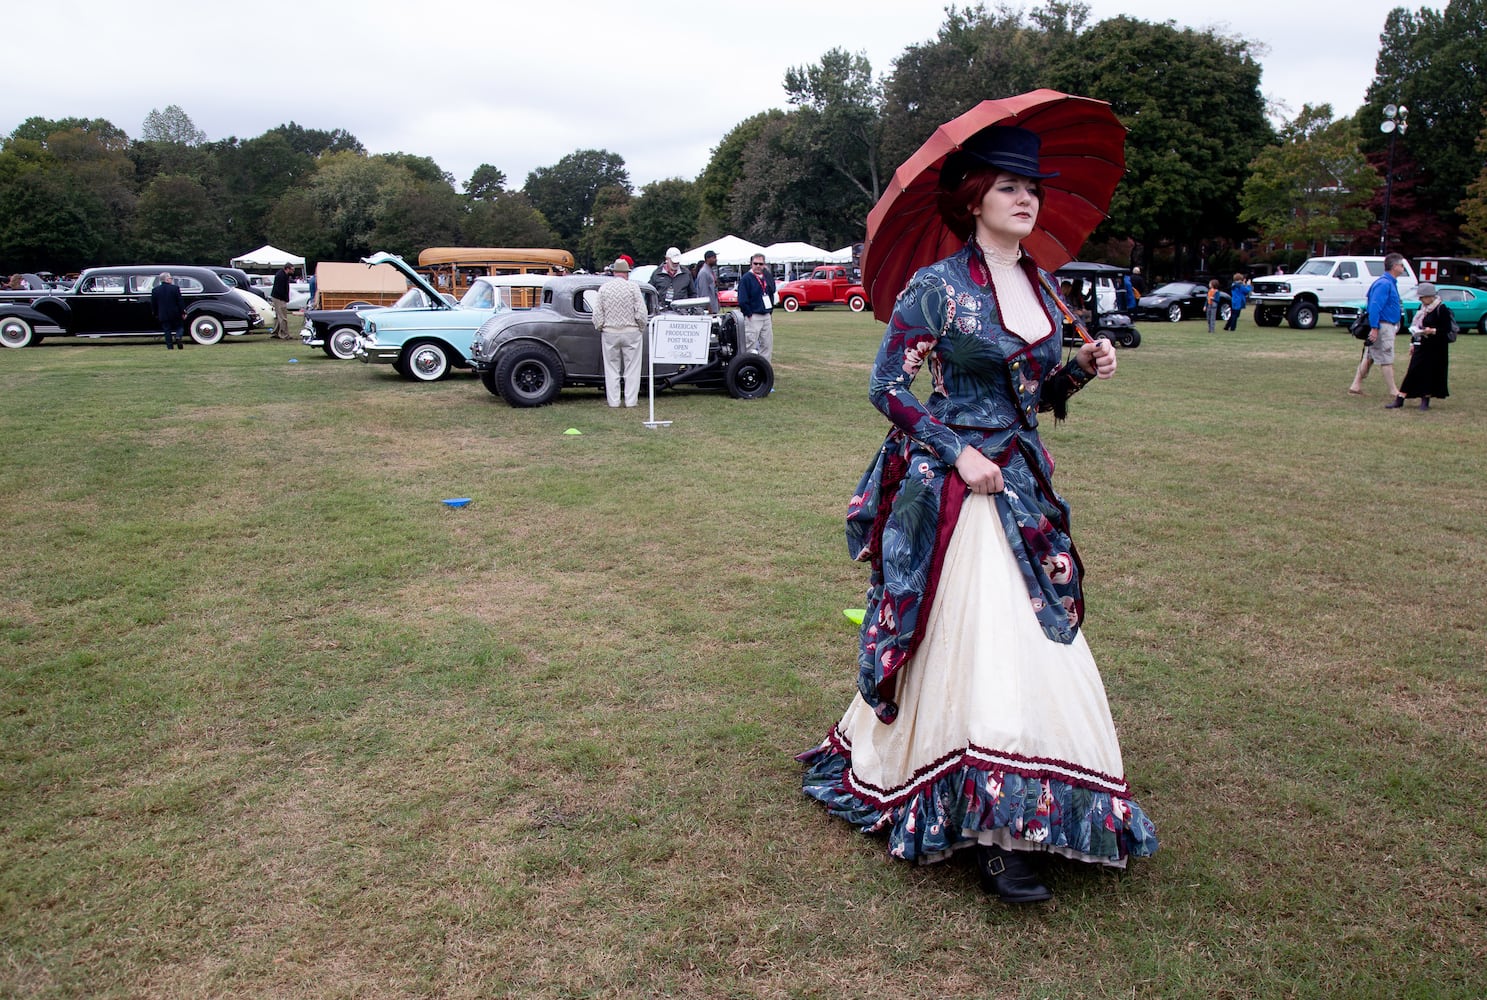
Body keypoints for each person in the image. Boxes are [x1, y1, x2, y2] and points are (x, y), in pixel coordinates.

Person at [797, 124, 1158, 906]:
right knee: (982, 633)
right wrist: (955, 449)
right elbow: (886, 387)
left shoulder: (1044, 284)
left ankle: (1038, 791)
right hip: (957, 486)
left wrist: (1080, 371)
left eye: (1032, 188)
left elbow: (1031, 397)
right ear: (973, 200)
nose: (1026, 198)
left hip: (1021, 480)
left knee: (1039, 632)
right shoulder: (937, 285)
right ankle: (994, 833)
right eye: (1008, 187)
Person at [1349, 252, 1408, 404]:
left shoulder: (1389, 283)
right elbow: (1375, 306)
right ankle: (1393, 389)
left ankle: (1355, 385)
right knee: (1386, 357)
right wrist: (1375, 328)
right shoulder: (1384, 284)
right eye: (1401, 265)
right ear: (1394, 267)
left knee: (1369, 357)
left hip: (1386, 325)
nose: (1403, 268)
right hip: (1383, 326)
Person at [591, 257, 649, 408]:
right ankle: (631, 401)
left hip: (610, 332)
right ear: (626, 273)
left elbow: (597, 314)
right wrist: (640, 327)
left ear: (614, 272)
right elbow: (641, 312)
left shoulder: (604, 288)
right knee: (632, 368)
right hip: (631, 331)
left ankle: (614, 401)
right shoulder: (633, 288)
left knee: (611, 368)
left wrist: (601, 327)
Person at [1397, 281, 1451, 411]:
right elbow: (1416, 326)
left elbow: (1446, 329)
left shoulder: (1441, 309)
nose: (1421, 300)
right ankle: (1400, 398)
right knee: (1413, 370)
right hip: (1422, 343)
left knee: (1430, 372)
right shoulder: (1422, 308)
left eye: (1423, 297)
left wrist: (1432, 330)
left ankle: (1425, 399)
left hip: (1436, 347)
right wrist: (1412, 342)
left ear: (1430, 296)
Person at [736, 253, 775, 360]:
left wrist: (770, 311)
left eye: (761, 264)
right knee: (750, 344)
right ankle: (748, 367)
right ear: (751, 264)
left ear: (764, 265)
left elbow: (772, 290)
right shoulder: (746, 278)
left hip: (766, 315)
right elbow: (742, 300)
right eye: (755, 263)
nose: (758, 266)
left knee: (767, 344)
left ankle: (765, 368)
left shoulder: (766, 277)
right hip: (753, 316)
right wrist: (749, 314)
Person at [150, 272, 187, 350]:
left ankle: (170, 347)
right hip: (175, 313)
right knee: (179, 327)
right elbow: (179, 301)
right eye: (170, 278)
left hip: (163, 314)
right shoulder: (175, 288)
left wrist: (156, 313)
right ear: (167, 279)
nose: (171, 279)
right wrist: (183, 312)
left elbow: (154, 304)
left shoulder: (155, 290)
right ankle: (178, 336)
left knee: (167, 330)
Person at [269, 261, 295, 340]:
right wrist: (285, 298)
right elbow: (280, 290)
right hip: (279, 298)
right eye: (292, 270)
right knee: (283, 317)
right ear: (287, 269)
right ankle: (284, 334)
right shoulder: (281, 276)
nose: (293, 271)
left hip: (278, 297)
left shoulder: (284, 275)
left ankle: (275, 332)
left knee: (278, 316)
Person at [694, 250, 720, 314]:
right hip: (707, 310)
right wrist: (708, 309)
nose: (716, 260)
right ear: (708, 259)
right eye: (714, 258)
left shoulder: (710, 271)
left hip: (713, 306)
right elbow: (703, 292)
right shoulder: (704, 272)